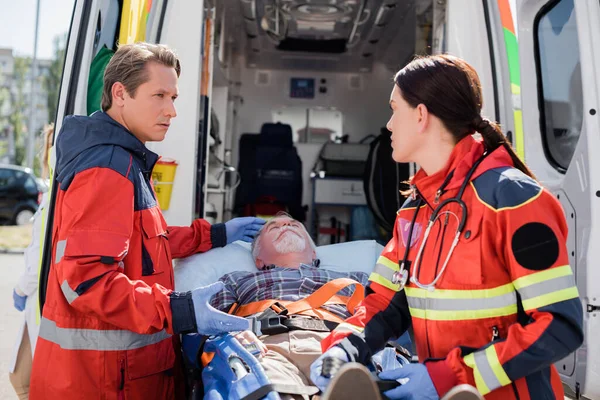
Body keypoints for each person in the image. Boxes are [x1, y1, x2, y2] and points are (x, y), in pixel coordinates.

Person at [310, 54, 584, 400]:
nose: (390, 125)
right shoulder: (413, 211)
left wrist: (455, 376)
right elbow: (386, 303)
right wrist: (345, 346)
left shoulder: (512, 197)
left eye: (395, 110)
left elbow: (560, 326)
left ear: (421, 115)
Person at [29, 42, 263, 399]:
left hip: (112, 375)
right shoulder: (106, 168)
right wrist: (179, 310)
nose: (171, 111)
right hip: (102, 382)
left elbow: (146, 242)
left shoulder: (124, 160)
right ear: (120, 94)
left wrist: (213, 234)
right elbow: (86, 282)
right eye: (159, 96)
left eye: (173, 98)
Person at [209, 213, 372, 399]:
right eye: (274, 227)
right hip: (267, 349)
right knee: (270, 391)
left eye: (294, 224)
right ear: (258, 259)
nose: (286, 224)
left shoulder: (357, 279)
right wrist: (233, 334)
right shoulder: (235, 281)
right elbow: (210, 323)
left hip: (339, 346)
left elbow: (379, 320)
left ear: (313, 253)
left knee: (352, 386)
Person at [9, 123, 54, 400]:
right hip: (40, 305)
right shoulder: (49, 195)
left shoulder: (52, 199)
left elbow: (38, 257)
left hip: (40, 302)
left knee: (23, 380)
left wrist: (20, 290)